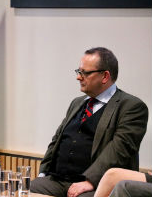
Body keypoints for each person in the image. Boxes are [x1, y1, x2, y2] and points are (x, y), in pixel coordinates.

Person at [30, 47, 149, 197]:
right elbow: (57, 140)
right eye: (78, 72)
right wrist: (43, 173)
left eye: (85, 73)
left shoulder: (131, 106)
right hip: (56, 180)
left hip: (96, 185)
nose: (78, 77)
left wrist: (90, 181)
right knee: (18, 191)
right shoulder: (77, 103)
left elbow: (120, 150)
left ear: (105, 76)